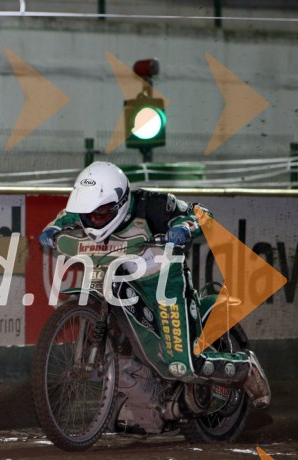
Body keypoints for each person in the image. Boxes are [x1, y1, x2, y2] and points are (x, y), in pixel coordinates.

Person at [39, 161, 270, 409]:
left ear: (120, 203)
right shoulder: (86, 211)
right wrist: (53, 229)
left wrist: (183, 227)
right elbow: (67, 217)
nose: (92, 220)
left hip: (162, 282)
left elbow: (200, 214)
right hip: (117, 273)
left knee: (180, 366)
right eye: (88, 214)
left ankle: (245, 368)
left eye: (100, 213)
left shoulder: (154, 205)